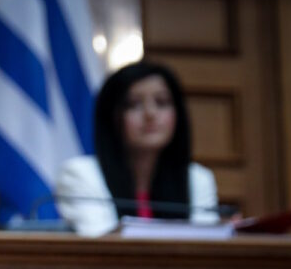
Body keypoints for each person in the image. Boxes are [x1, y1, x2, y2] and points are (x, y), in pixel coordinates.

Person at [54, 60, 220, 236]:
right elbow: (101, 244)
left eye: (162, 102)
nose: (150, 114)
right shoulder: (81, 175)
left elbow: (204, 244)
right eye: (133, 104)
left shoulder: (198, 179)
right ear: (112, 116)